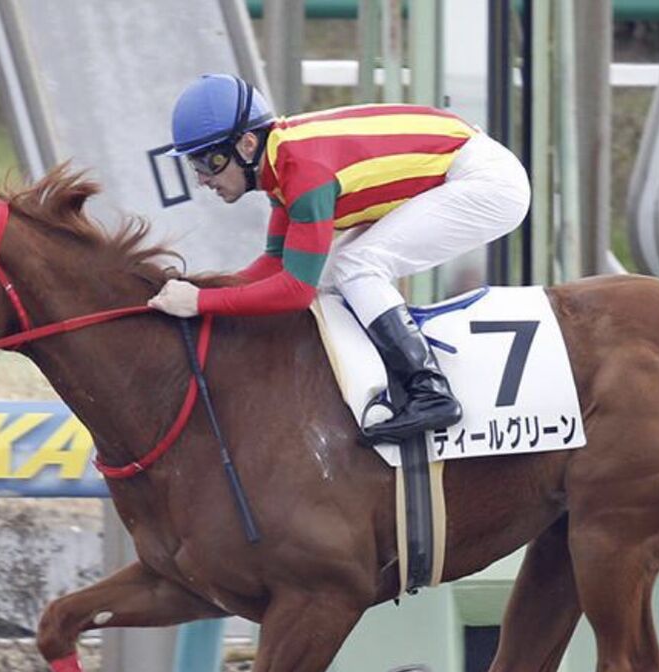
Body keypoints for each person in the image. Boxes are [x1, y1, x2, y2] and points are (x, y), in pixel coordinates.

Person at [151, 74, 530, 444]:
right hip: (461, 167)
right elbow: (275, 264)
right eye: (194, 165)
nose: (202, 179)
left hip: (486, 181)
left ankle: (429, 391)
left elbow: (296, 290)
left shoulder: (303, 173)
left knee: (355, 266)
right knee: (334, 273)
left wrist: (201, 301)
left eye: (209, 161)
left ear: (247, 145)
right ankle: (376, 386)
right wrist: (199, 293)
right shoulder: (280, 164)